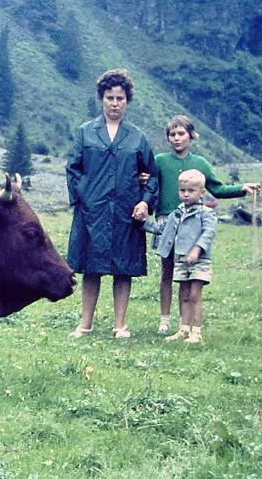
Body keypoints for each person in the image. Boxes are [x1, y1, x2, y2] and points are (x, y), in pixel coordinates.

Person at [66, 69, 158, 339]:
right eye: (110, 98)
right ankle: (85, 324)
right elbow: (73, 169)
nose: (115, 103)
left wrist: (145, 203)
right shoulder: (85, 132)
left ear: (127, 101)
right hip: (91, 212)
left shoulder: (137, 137)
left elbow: (152, 175)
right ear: (101, 99)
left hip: (125, 212)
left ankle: (120, 325)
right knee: (91, 267)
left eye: (120, 98)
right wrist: (84, 198)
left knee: (123, 268)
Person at [149, 115, 260, 334]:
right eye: (172, 134)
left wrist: (241, 188)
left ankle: (184, 323)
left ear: (191, 136)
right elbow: (150, 186)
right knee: (167, 271)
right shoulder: (159, 161)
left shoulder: (201, 163)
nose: (177, 138)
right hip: (166, 222)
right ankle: (164, 320)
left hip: (192, 226)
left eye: (181, 133)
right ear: (168, 138)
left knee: (187, 274)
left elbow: (217, 188)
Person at [143, 169, 216, 343]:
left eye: (191, 191)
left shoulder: (206, 212)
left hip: (199, 261)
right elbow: (162, 229)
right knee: (183, 294)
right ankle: (184, 329)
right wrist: (143, 223)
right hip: (181, 260)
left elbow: (209, 233)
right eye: (182, 190)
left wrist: (197, 249)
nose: (186, 194)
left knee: (194, 295)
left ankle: (196, 331)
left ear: (201, 192)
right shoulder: (177, 212)